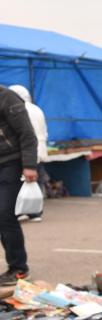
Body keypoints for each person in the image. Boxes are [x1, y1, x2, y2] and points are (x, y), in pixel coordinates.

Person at [0, 85, 37, 284]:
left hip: (10, 163)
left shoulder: (7, 97)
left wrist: (30, 165)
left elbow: (27, 133)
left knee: (5, 215)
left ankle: (19, 268)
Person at [8, 85, 47, 220]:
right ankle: (36, 212)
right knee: (37, 181)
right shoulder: (38, 109)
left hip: (26, 151)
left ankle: (22, 210)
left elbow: (24, 133)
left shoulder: (15, 108)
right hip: (39, 150)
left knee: (20, 183)